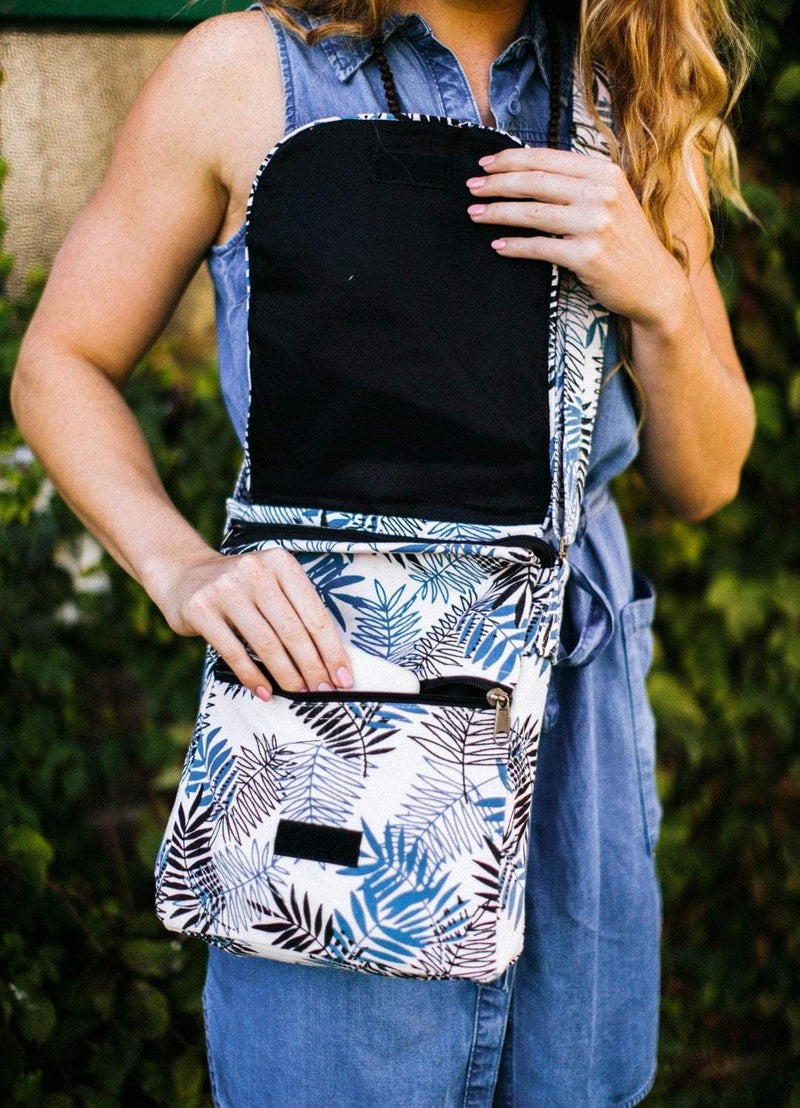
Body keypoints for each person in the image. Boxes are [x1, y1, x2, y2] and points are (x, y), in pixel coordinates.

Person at [10, 0, 756, 1104]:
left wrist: (659, 300)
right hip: (334, 730)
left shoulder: (626, 93)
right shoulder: (245, 74)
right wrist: (178, 564)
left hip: (574, 765)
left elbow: (707, 476)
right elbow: (60, 362)